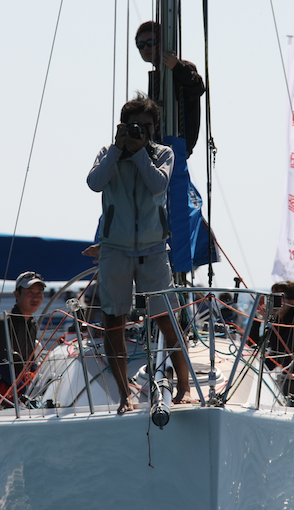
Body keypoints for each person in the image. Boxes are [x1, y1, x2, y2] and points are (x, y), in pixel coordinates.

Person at [87, 93, 191, 414]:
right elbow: (94, 183)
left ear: (154, 129)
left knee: (167, 319)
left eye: (146, 126)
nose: (140, 131)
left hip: (153, 249)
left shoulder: (163, 154)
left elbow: (158, 185)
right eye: (134, 126)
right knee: (113, 322)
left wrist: (140, 153)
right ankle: (125, 395)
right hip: (115, 250)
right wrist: (118, 151)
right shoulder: (108, 153)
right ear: (122, 126)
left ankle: (185, 387)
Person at [135, 21, 205, 157]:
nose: (145, 48)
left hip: (178, 145)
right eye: (140, 45)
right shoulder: (156, 77)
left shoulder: (182, 68)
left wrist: (176, 66)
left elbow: (197, 88)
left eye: (150, 42)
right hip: (157, 147)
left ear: (161, 42)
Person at [248, 281, 294, 402]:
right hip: (281, 377)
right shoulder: (277, 322)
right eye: (272, 296)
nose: (272, 300)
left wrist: (259, 369)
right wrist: (258, 317)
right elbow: (253, 343)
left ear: (292, 302)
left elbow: (282, 353)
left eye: (277, 297)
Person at [0, 271, 45, 401]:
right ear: (17, 294)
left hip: (21, 382)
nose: (36, 298)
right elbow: (4, 368)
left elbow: (31, 362)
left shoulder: (32, 323)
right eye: (30, 292)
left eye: (39, 293)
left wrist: (37, 384)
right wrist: (27, 392)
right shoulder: (4, 322)